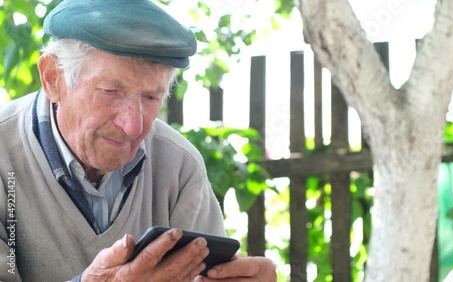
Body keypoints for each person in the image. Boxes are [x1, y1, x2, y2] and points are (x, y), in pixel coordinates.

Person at [0, 0, 276, 281]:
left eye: (150, 97)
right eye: (110, 90)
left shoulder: (179, 166)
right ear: (53, 79)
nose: (133, 126)